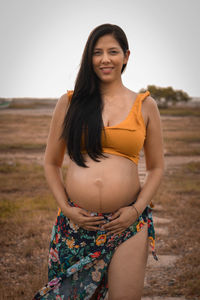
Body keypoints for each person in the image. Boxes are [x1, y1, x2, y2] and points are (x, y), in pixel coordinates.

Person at [33, 23, 164, 300]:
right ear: (89, 58)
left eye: (113, 51)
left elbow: (156, 168)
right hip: (76, 225)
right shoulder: (69, 103)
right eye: (97, 52)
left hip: (127, 223)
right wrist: (66, 208)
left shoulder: (145, 105)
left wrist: (136, 209)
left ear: (126, 56)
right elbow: (51, 163)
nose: (105, 59)